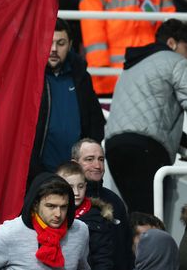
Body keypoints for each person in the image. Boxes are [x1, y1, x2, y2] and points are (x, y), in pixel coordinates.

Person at [105, 19, 187, 214]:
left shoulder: (132, 66)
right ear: (172, 43)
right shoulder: (176, 61)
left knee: (137, 214)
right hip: (146, 149)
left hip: (114, 147)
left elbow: (147, 118)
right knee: (150, 217)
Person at [28, 19, 104, 183]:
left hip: (77, 177)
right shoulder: (28, 76)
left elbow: (95, 124)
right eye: (49, 42)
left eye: (60, 43)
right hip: (36, 174)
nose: (54, 49)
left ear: (70, 45)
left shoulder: (81, 77)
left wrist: (87, 164)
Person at [0, 173, 90, 269]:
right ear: (35, 205)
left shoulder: (80, 231)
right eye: (51, 206)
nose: (58, 214)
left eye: (63, 207)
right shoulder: (9, 233)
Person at [72, 139, 133, 270]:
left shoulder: (115, 200)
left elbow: (126, 249)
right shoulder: (64, 201)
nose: (98, 166)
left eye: (101, 159)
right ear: (74, 164)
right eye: (89, 159)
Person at [57, 161, 114, 270]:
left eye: (81, 186)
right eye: (70, 187)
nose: (76, 192)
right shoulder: (51, 214)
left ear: (86, 186)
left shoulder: (97, 218)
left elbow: (102, 258)